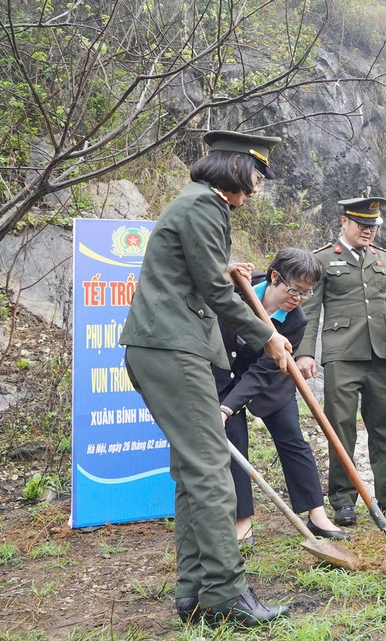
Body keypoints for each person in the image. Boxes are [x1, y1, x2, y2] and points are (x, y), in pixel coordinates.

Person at [120, 130, 291, 627]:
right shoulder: (204, 207)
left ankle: (193, 594)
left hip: (161, 348)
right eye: (257, 174)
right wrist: (268, 337)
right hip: (174, 349)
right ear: (237, 170)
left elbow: (195, 270)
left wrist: (222, 264)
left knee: (193, 470)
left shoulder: (195, 205)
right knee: (213, 469)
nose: (258, 186)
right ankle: (226, 594)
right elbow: (216, 292)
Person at [294, 197, 386, 527]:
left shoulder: (384, 258)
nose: (368, 231)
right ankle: (344, 501)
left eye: (373, 226)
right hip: (342, 354)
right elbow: (310, 309)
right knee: (341, 428)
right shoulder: (323, 259)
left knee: (383, 428)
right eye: (362, 224)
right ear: (344, 222)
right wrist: (305, 351)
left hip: (382, 353)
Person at [216, 248, 348, 547]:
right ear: (275, 277)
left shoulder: (295, 321)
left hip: (270, 380)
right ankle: (243, 522)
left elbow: (263, 371)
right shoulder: (239, 286)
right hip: (226, 372)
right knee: (234, 440)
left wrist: (227, 407)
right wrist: (225, 408)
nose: (298, 299)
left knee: (293, 439)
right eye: (294, 290)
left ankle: (317, 515)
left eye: (306, 294)